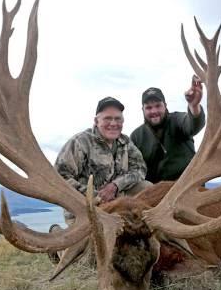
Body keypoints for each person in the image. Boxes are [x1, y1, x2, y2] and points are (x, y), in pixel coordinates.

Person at [54, 96, 151, 227]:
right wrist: (96, 197)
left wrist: (116, 186)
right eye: (107, 118)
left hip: (117, 202)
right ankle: (64, 238)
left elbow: (140, 169)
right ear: (96, 121)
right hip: (86, 207)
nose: (113, 123)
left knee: (147, 187)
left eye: (118, 119)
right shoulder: (80, 142)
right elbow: (60, 179)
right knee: (88, 244)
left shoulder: (125, 142)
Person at [130, 77, 205, 183]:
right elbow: (133, 167)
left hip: (187, 186)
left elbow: (193, 125)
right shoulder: (136, 136)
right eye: (149, 108)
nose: (154, 111)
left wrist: (194, 106)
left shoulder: (178, 120)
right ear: (143, 109)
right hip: (154, 193)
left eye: (158, 106)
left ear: (165, 106)